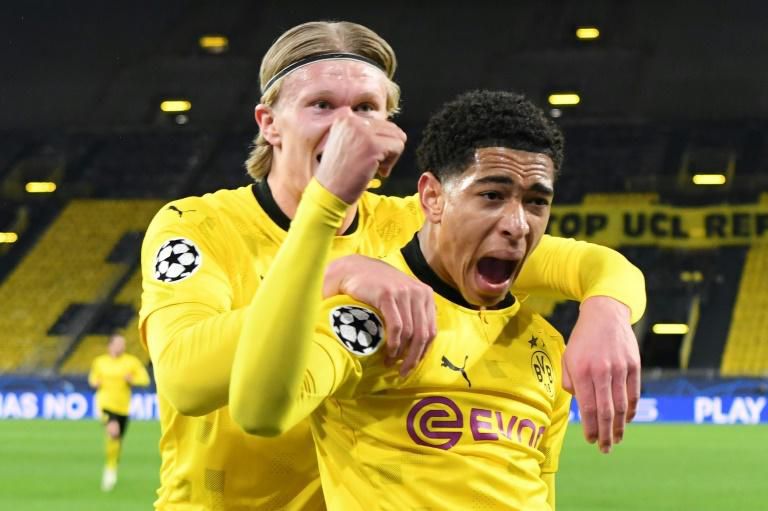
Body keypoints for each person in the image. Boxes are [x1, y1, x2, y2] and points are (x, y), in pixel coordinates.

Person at [140, 21, 644, 510]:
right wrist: (333, 275)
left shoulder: (414, 225)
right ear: (269, 123)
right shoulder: (199, 226)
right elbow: (185, 380)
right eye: (321, 105)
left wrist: (608, 313)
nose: (347, 126)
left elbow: (591, 264)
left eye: (366, 108)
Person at [231, 89, 577, 510]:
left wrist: (608, 307)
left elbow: (541, 491)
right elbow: (260, 413)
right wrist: (323, 212)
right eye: (491, 195)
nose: (518, 225)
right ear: (432, 197)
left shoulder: (546, 345)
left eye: (537, 202)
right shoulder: (367, 315)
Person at [87, 333, 150, 491]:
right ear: (110, 345)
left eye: (123, 344)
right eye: (117, 344)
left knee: (117, 440)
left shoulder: (131, 362)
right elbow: (92, 379)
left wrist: (132, 380)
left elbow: (145, 380)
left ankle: (112, 465)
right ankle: (109, 471)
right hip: (105, 404)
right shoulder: (100, 362)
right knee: (113, 432)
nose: (120, 346)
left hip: (123, 407)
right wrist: (95, 383)